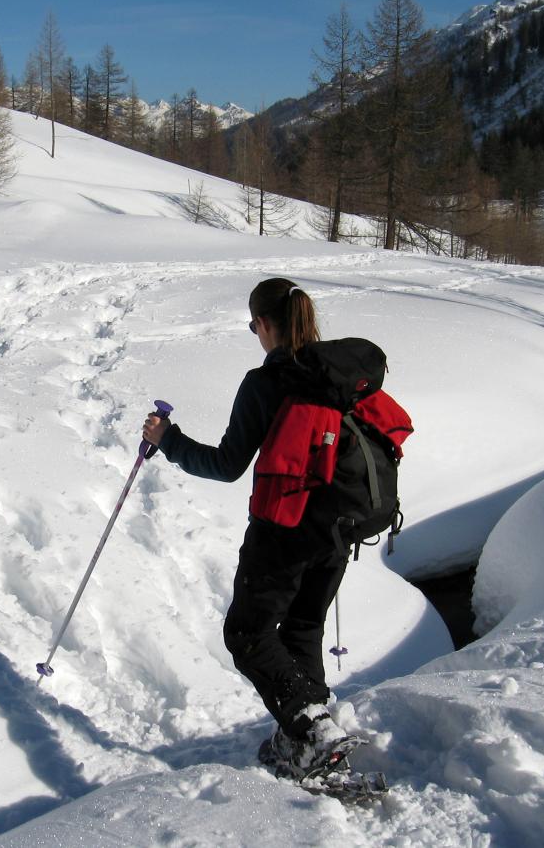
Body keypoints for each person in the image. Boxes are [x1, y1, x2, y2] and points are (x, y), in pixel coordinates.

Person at [141, 277, 353, 776]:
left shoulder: (267, 382)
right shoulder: (338, 373)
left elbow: (226, 464)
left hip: (283, 528)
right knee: (302, 627)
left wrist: (168, 439)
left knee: (247, 633)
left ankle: (314, 731)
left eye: (252, 325)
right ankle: (305, 733)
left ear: (263, 323)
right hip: (337, 529)